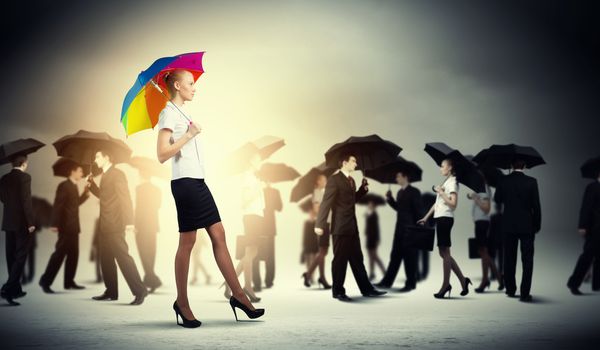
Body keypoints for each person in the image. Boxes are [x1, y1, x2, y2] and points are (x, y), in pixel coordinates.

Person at [156, 69, 263, 327]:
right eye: (191, 83)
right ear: (178, 85)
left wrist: (189, 133)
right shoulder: (168, 112)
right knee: (189, 241)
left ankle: (238, 296)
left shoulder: (181, 112)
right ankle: (182, 303)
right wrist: (188, 135)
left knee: (217, 234)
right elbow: (161, 154)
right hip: (185, 184)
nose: (195, 87)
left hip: (196, 183)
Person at [315, 152, 386, 302]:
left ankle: (367, 289)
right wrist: (320, 224)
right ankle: (338, 291)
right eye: (353, 161)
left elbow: (350, 200)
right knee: (340, 260)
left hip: (352, 227)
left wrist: (362, 190)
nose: (356, 164)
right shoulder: (334, 180)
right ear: (344, 163)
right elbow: (326, 202)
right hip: (340, 227)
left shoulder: (351, 180)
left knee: (357, 259)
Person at [88, 150, 148, 305]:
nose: (95, 159)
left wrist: (129, 222)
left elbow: (125, 198)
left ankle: (140, 291)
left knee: (123, 258)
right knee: (106, 259)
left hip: (115, 224)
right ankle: (111, 291)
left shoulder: (117, 174)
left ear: (107, 157)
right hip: (105, 225)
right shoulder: (105, 175)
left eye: (98, 156)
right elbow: (106, 197)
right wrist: (92, 186)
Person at [418, 158, 471, 299]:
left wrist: (441, 193)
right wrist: (426, 217)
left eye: (442, 166)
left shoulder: (453, 182)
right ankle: (463, 280)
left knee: (445, 253)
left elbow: (453, 204)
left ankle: (446, 285)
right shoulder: (447, 182)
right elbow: (437, 205)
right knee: (443, 253)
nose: (440, 168)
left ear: (450, 167)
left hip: (445, 219)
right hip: (440, 218)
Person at [494, 159, 541, 302]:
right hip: (527, 226)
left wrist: (504, 182)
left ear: (511, 165)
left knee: (508, 258)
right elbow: (536, 206)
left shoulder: (504, 180)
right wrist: (537, 225)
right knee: (527, 260)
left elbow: (497, 199)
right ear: (525, 165)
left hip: (508, 225)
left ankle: (510, 289)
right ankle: (525, 293)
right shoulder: (532, 181)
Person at [39, 163, 89, 293]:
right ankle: (45, 281)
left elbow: (74, 204)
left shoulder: (73, 186)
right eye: (80, 171)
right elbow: (58, 206)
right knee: (59, 255)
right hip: (65, 227)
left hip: (74, 227)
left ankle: (69, 282)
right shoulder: (64, 186)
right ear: (72, 171)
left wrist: (85, 193)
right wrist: (55, 224)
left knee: (73, 255)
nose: (82, 174)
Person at [375, 171, 423, 292]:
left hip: (410, 230)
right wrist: (390, 199)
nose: (396, 178)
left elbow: (418, 212)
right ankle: (387, 282)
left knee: (410, 258)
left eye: (398, 176)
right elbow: (399, 209)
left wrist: (418, 230)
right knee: (395, 256)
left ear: (405, 177)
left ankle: (410, 284)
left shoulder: (414, 192)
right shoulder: (400, 192)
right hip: (399, 230)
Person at [0, 155, 35, 306]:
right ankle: (7, 288)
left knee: (11, 256)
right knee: (21, 256)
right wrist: (30, 222)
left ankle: (15, 290)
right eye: (27, 162)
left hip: (8, 222)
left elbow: (2, 197)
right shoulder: (25, 177)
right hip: (21, 223)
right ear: (23, 163)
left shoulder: (4, 178)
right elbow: (26, 200)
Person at [567, 171, 600, 294]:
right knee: (587, 256)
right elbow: (586, 207)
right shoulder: (592, 187)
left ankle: (597, 284)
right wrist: (582, 225)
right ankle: (573, 284)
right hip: (594, 228)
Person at [467, 181, 503, 293]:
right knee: (483, 252)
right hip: (480, 223)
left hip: (482, 223)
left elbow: (486, 208)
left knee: (483, 252)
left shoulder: (485, 189)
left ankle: (485, 280)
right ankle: (499, 279)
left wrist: (475, 198)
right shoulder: (480, 189)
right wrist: (473, 196)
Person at [301, 174, 332, 289]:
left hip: (326, 223)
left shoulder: (323, 192)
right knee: (322, 251)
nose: (325, 181)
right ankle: (316, 276)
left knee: (323, 251)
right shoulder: (317, 192)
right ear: (318, 181)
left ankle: (312, 275)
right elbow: (316, 209)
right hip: (322, 224)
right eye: (323, 179)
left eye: (326, 179)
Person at [134, 171, 162, 293]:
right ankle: (149, 279)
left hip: (142, 225)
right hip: (153, 224)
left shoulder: (139, 189)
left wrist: (135, 224)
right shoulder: (157, 189)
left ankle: (152, 279)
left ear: (141, 176)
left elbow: (138, 208)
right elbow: (158, 206)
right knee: (151, 251)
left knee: (143, 252)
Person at [253, 182, 282, 290]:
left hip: (258, 225)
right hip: (269, 226)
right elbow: (279, 207)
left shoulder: (258, 191)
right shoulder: (275, 192)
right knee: (270, 255)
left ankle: (257, 282)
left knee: (255, 254)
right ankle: (269, 281)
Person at [365, 201, 385, 281]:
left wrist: (377, 239)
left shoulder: (375, 215)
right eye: (368, 204)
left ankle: (384, 272)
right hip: (369, 238)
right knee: (370, 257)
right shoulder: (368, 214)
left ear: (373, 206)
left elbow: (377, 228)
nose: (369, 205)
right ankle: (372, 273)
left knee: (375, 256)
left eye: (371, 204)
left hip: (373, 238)